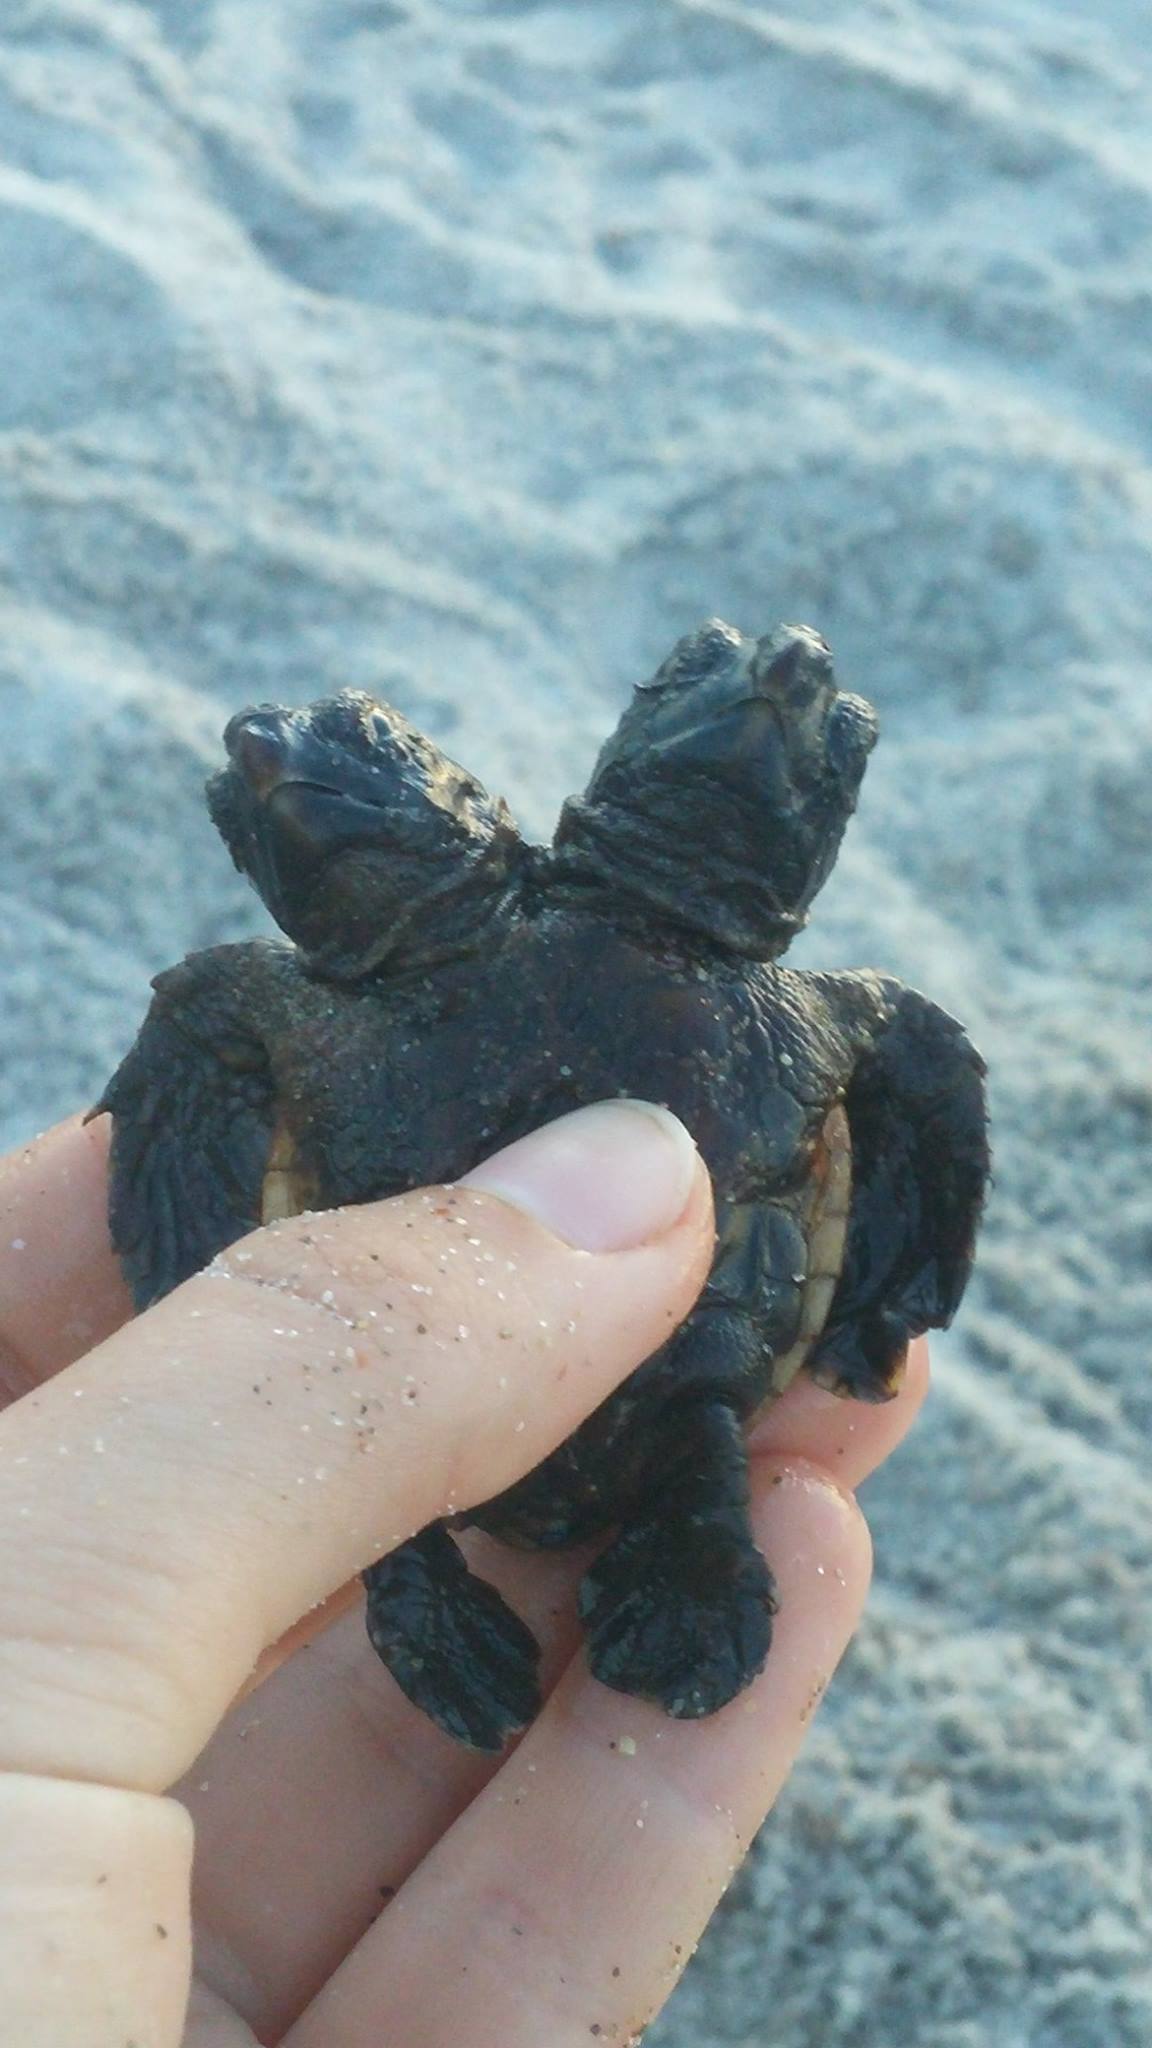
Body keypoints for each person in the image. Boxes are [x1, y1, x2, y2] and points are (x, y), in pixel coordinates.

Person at [0, 1098, 926, 2048]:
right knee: (697, 1440)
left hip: (595, 1383)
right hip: (658, 1366)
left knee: (673, 1463)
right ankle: (446, 1580)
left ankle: (531, 1570)